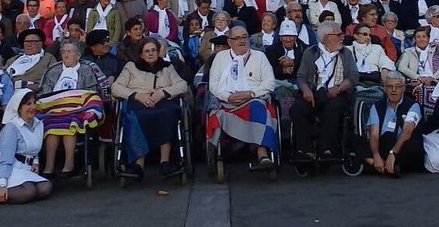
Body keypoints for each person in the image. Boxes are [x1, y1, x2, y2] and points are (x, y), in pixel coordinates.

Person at [111, 37, 190, 180]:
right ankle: (138, 164)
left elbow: (182, 85)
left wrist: (162, 93)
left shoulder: (167, 67)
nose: (150, 53)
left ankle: (164, 162)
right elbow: (115, 87)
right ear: (141, 54)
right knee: (133, 117)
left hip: (162, 102)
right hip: (138, 101)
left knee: (167, 115)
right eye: (146, 51)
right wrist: (136, 95)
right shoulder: (131, 67)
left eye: (153, 50)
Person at [206, 25, 278, 168]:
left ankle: (262, 152)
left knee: (257, 106)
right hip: (227, 102)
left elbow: (270, 83)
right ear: (229, 42)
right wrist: (228, 97)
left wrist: (250, 93)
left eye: (244, 37)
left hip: (253, 98)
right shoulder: (220, 57)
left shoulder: (260, 56)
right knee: (218, 113)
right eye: (237, 38)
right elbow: (213, 85)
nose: (242, 41)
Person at [35, 40, 104, 178]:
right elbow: (45, 92)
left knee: (69, 122)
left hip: (76, 109)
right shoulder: (53, 70)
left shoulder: (86, 70)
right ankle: (49, 167)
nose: (65, 55)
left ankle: (69, 165)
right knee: (51, 124)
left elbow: (91, 91)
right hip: (54, 107)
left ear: (78, 55)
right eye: (63, 51)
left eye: (69, 51)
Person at [291, 22, 358, 163]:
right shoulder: (310, 52)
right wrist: (306, 90)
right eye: (339, 35)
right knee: (298, 108)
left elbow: (353, 77)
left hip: (337, 93)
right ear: (327, 37)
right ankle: (306, 150)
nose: (342, 38)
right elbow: (301, 76)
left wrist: (339, 88)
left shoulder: (346, 53)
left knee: (334, 107)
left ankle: (326, 148)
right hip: (314, 92)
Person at [362, 71, 422, 176]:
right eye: (390, 86)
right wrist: (376, 155)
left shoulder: (413, 105)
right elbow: (374, 135)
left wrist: (392, 153)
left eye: (397, 87)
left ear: (403, 88)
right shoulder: (377, 106)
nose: (393, 90)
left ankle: (375, 165)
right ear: (384, 89)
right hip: (382, 145)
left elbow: (407, 132)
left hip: (400, 145)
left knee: (412, 146)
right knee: (357, 139)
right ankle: (385, 165)